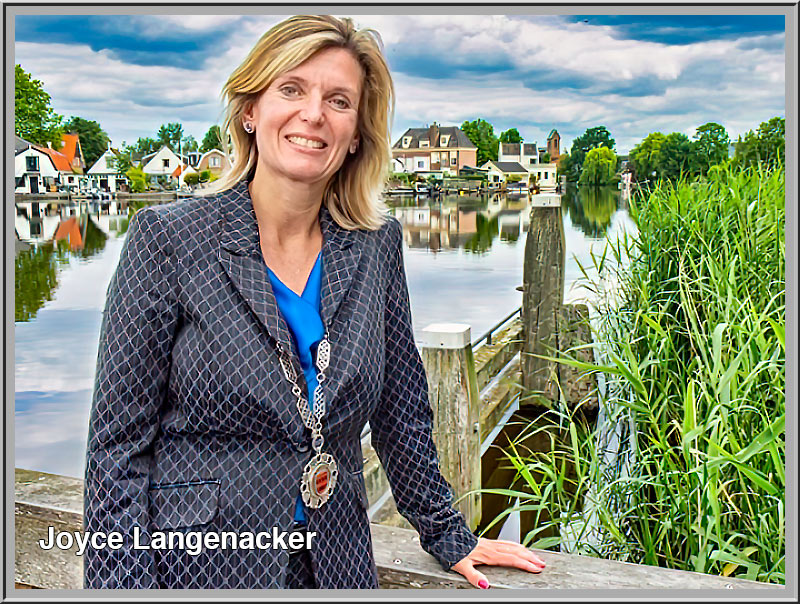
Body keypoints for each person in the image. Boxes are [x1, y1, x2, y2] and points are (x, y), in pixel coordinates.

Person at [84, 14, 545, 589]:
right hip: (201, 568)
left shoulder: (375, 245)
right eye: (291, 89)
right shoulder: (170, 239)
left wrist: (447, 533)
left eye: (338, 100)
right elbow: (116, 452)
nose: (313, 115)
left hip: (338, 565)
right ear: (250, 110)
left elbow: (401, 412)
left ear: (356, 134)